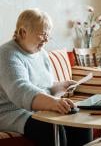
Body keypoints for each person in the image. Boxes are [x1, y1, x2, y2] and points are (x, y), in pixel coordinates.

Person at [0, 8, 92, 146]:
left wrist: (61, 86)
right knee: (52, 129)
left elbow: (45, 86)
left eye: (48, 34)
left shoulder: (41, 52)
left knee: (80, 122)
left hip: (38, 109)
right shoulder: (7, 54)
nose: (47, 39)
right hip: (13, 113)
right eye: (42, 34)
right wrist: (53, 103)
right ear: (23, 32)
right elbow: (21, 90)